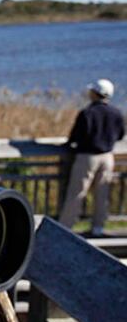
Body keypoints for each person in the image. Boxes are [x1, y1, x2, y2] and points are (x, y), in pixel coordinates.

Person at [59, 79, 125, 237]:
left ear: (95, 93)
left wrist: (70, 145)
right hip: (108, 157)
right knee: (102, 193)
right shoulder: (116, 113)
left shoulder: (87, 113)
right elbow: (121, 134)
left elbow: (76, 136)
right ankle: (98, 227)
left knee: (77, 192)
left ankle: (66, 227)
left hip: (87, 156)